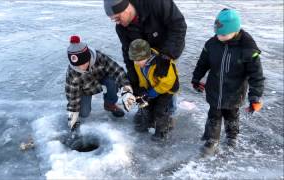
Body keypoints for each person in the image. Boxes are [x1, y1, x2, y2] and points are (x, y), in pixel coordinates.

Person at [191, 9, 265, 155]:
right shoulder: (212, 44)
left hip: (235, 92)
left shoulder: (248, 49)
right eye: (217, 33)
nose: (219, 37)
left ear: (235, 31)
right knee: (214, 115)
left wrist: (255, 97)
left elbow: (256, 76)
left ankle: (232, 136)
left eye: (223, 34)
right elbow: (202, 63)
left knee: (232, 115)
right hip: (214, 90)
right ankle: (212, 140)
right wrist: (196, 78)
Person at [103, 0, 187, 118]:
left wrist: (166, 56)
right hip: (141, 56)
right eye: (114, 19)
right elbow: (128, 56)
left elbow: (178, 26)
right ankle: (148, 105)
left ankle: (169, 112)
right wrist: (135, 84)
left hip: (168, 47)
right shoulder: (121, 28)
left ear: (126, 8)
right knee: (144, 78)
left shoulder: (157, 3)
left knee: (166, 78)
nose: (117, 22)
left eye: (117, 18)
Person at [65, 35, 135, 133]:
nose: (81, 68)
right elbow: (72, 96)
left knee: (113, 80)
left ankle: (109, 104)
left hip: (102, 77)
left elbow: (117, 70)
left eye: (83, 63)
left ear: (89, 58)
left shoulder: (99, 57)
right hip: (86, 88)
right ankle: (80, 112)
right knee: (84, 113)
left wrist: (126, 89)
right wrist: (73, 115)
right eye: (77, 65)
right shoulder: (72, 73)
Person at [128, 39, 179, 141]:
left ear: (146, 56)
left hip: (167, 90)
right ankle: (147, 123)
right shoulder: (139, 61)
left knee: (160, 110)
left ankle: (161, 132)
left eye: (138, 61)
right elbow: (142, 77)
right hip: (152, 86)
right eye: (134, 60)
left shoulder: (163, 64)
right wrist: (143, 90)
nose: (136, 63)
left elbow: (167, 83)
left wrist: (152, 93)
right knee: (147, 105)